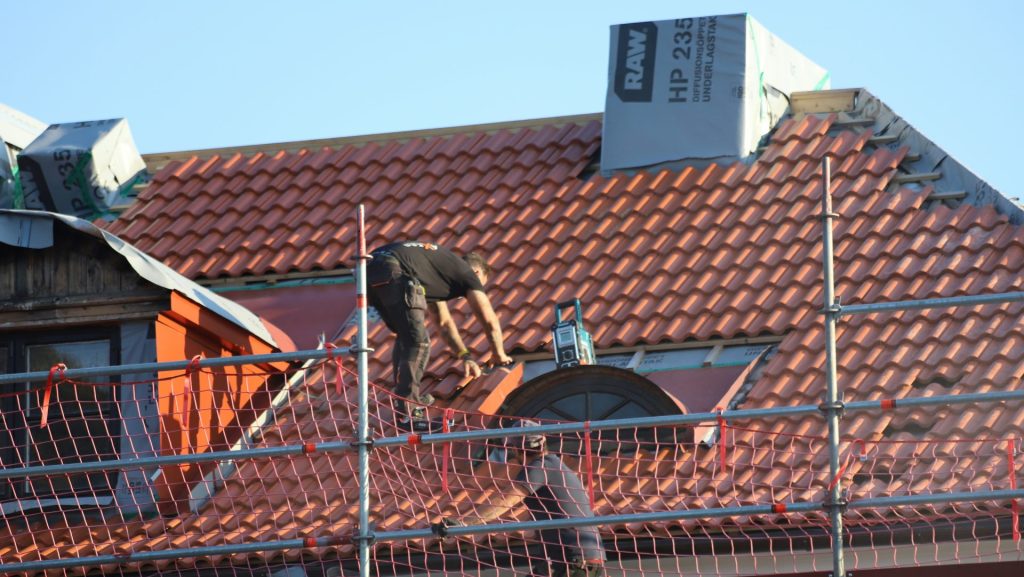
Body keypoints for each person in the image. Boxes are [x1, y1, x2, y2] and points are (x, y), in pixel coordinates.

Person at [365, 241, 512, 428]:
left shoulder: (437, 272)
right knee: (418, 342)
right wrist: (499, 353)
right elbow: (488, 319)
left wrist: (465, 356)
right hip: (395, 271)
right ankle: (408, 412)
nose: (476, 288)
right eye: (480, 284)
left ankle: (403, 398)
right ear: (476, 274)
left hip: (369, 271)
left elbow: (443, 323)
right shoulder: (466, 274)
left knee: (406, 335)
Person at [434, 419, 606, 577]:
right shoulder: (553, 465)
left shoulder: (540, 466)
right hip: (575, 558)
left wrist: (463, 523)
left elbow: (506, 500)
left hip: (573, 559)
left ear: (514, 448)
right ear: (543, 441)